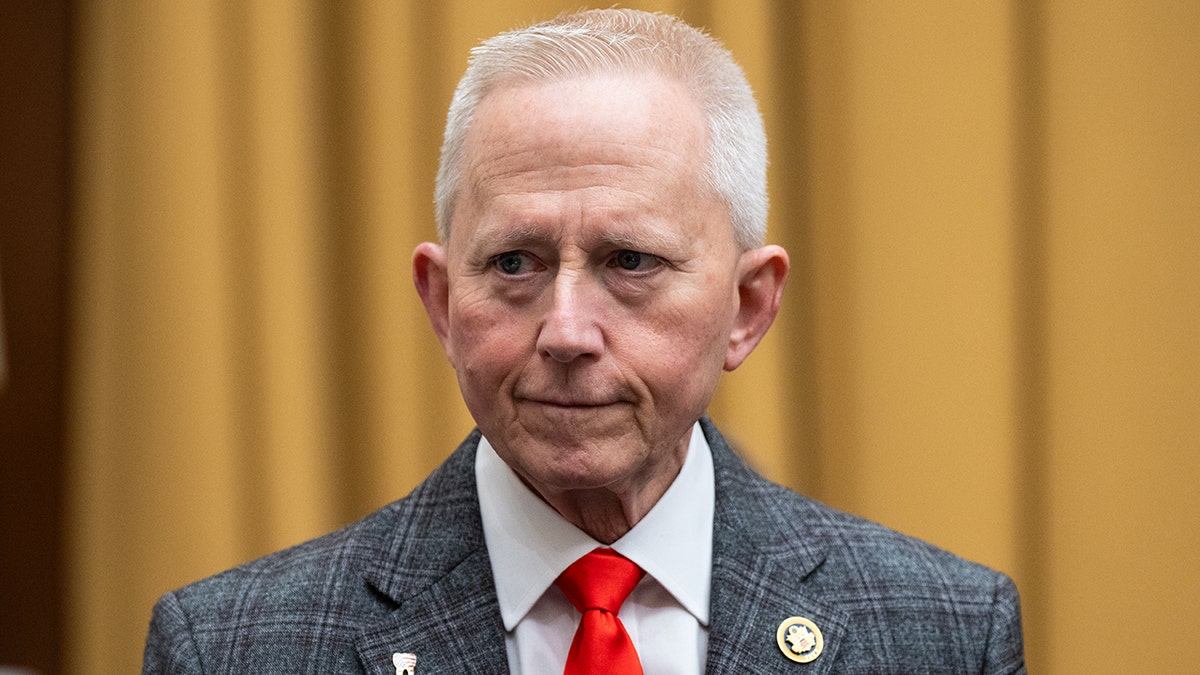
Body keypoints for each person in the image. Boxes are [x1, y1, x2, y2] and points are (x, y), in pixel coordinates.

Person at [143, 9, 1024, 674]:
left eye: (630, 260)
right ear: (443, 302)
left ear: (748, 306)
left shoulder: (943, 630)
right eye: (515, 262)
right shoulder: (232, 647)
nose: (565, 330)